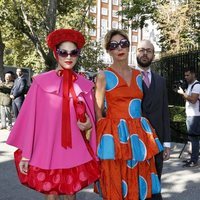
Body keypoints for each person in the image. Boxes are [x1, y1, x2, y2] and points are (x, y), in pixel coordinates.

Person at [7, 29, 99, 200]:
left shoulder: (85, 86)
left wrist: (88, 125)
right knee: (51, 196)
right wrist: (27, 154)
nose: (68, 57)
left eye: (74, 52)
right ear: (56, 53)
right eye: (63, 52)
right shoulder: (41, 83)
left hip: (73, 150)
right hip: (47, 149)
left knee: (71, 195)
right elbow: (30, 120)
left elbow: (91, 120)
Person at [95, 29, 163, 200]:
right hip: (115, 135)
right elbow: (98, 110)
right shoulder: (103, 76)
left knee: (138, 180)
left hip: (138, 135)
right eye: (114, 45)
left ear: (129, 47)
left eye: (124, 43)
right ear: (109, 50)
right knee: (117, 180)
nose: (120, 48)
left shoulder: (138, 75)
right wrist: (102, 141)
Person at [135, 40, 171, 200]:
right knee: (136, 184)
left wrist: (167, 143)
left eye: (148, 51)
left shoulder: (161, 81)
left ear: (153, 55)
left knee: (155, 184)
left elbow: (165, 112)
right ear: (136, 52)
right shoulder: (128, 78)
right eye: (141, 50)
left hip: (156, 141)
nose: (145, 53)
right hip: (135, 141)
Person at [177, 68, 200, 167]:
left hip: (195, 115)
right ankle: (192, 158)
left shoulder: (197, 85)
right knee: (191, 138)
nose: (186, 77)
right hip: (190, 114)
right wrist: (184, 93)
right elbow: (187, 99)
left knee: (194, 138)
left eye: (188, 75)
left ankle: (194, 161)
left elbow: (193, 100)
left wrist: (183, 93)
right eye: (185, 75)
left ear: (193, 74)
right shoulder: (190, 85)